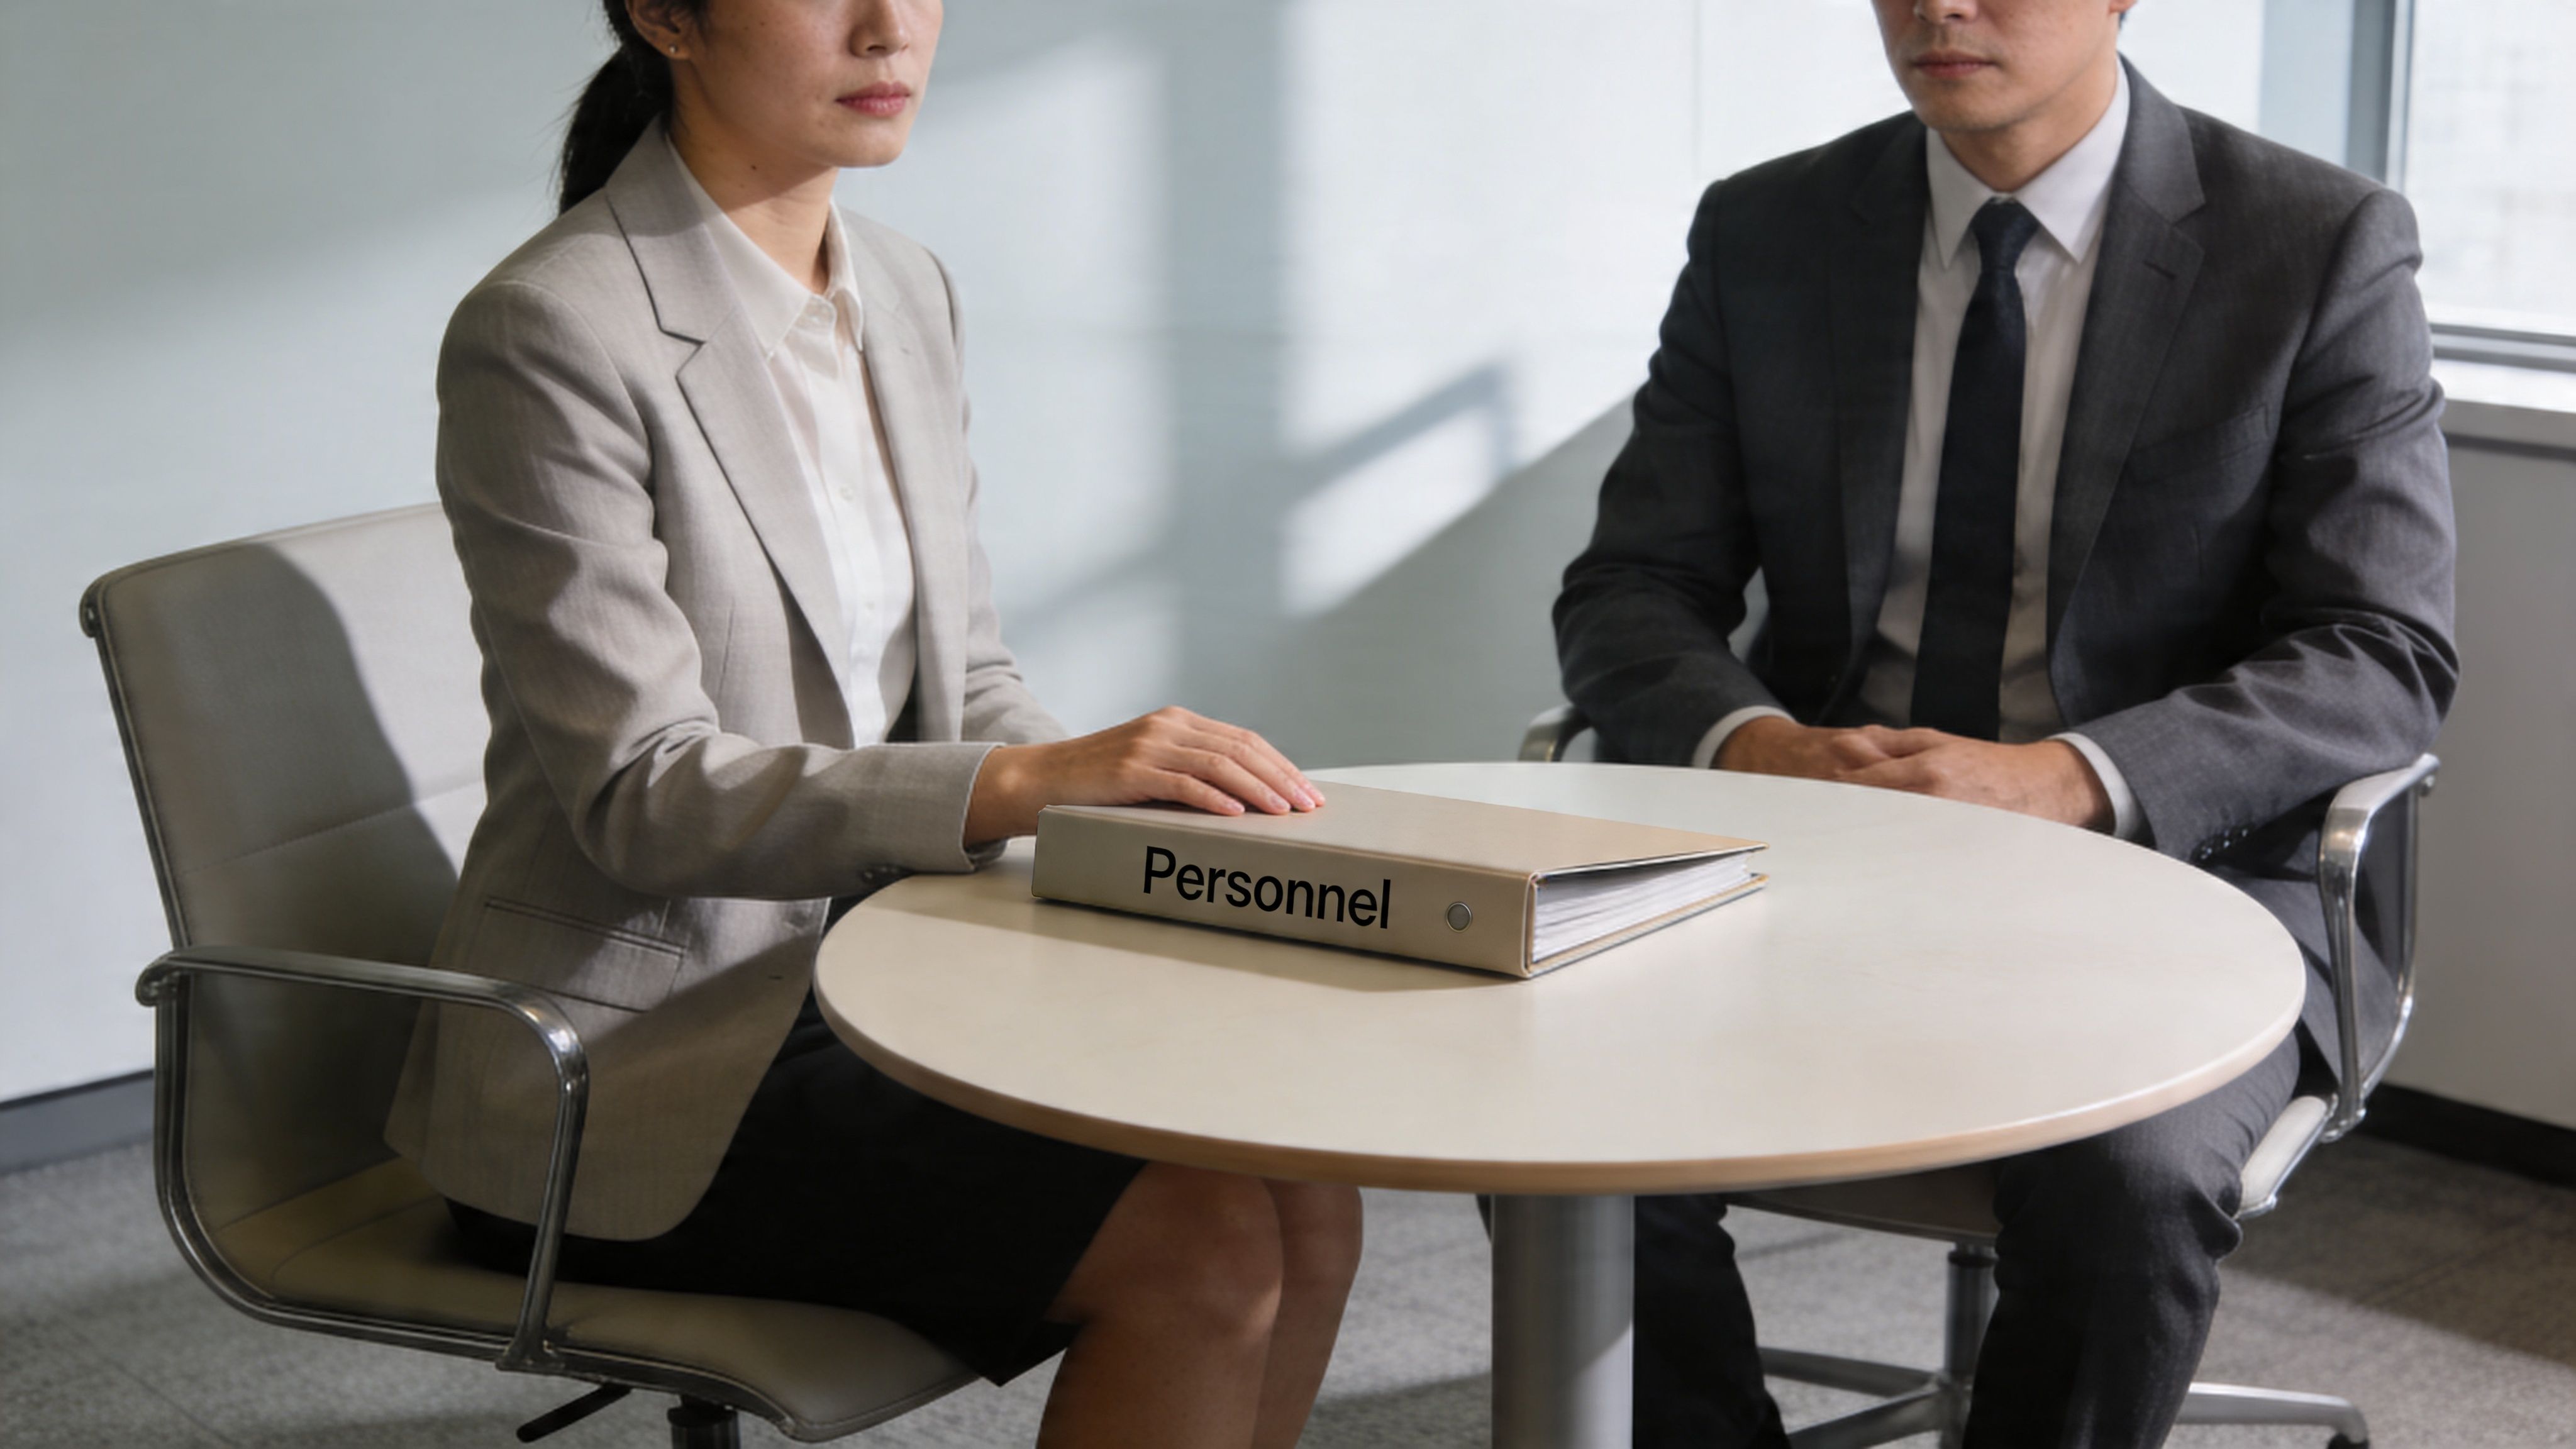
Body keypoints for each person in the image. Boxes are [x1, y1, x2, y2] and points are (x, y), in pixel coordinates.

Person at [382, 3, 1362, 1445]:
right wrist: (1022, 781)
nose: (888, 27)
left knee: (1307, 1184)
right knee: (1203, 1248)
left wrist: (1130, 813)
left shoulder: (902, 290)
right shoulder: (551, 326)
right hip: (633, 1063)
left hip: (882, 978)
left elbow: (964, 679)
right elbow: (644, 793)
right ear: (667, 18)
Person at [1552, 0, 2457, 1443]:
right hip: (1818, 852)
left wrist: (2063, 779)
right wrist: (1758, 749)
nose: (1938, 6)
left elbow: (2376, 651)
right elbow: (1630, 588)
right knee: (1548, 1113)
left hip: (2180, 878)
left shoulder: (2312, 241)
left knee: (2126, 1183)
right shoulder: (1766, 229)